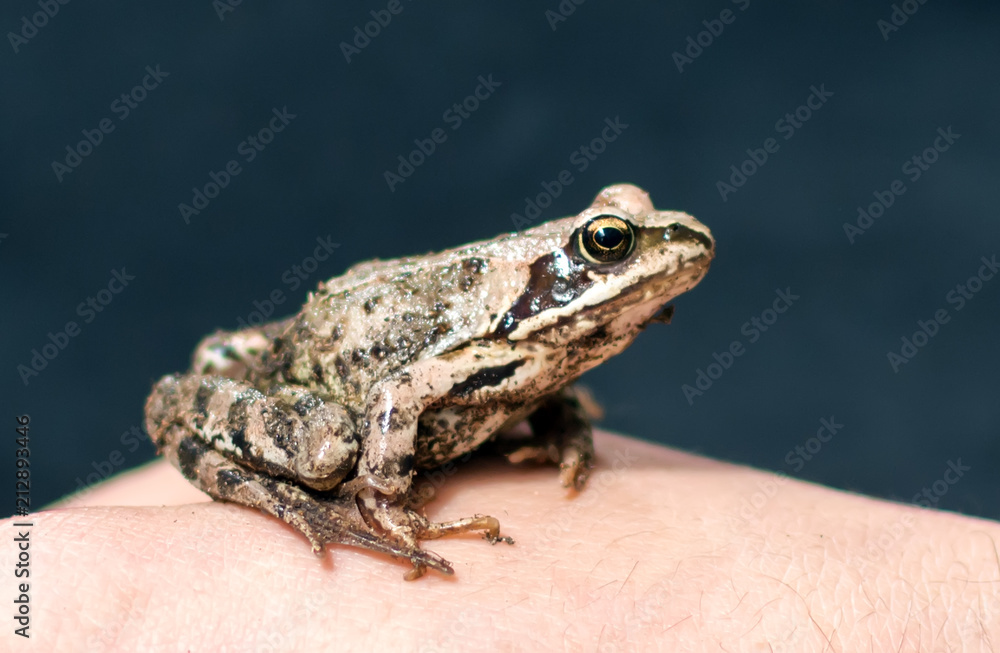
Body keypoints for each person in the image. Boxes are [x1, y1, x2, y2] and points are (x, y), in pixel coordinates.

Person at [11, 431, 998, 650]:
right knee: (319, 448)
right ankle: (318, 511)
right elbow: (398, 399)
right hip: (327, 388)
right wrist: (385, 513)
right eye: (611, 242)